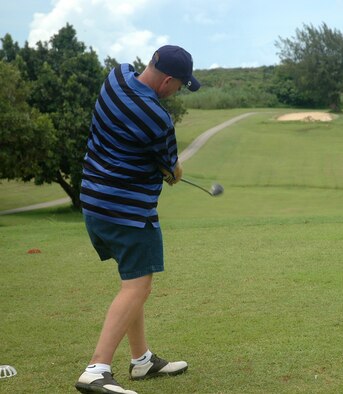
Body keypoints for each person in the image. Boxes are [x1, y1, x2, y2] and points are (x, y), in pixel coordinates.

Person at [75, 45, 200, 394]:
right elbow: (171, 169)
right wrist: (175, 172)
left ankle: (141, 360)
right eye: (179, 86)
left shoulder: (115, 77)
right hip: (127, 213)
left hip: (94, 203)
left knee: (132, 282)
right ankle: (96, 369)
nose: (176, 93)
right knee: (138, 287)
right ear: (168, 81)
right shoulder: (157, 119)